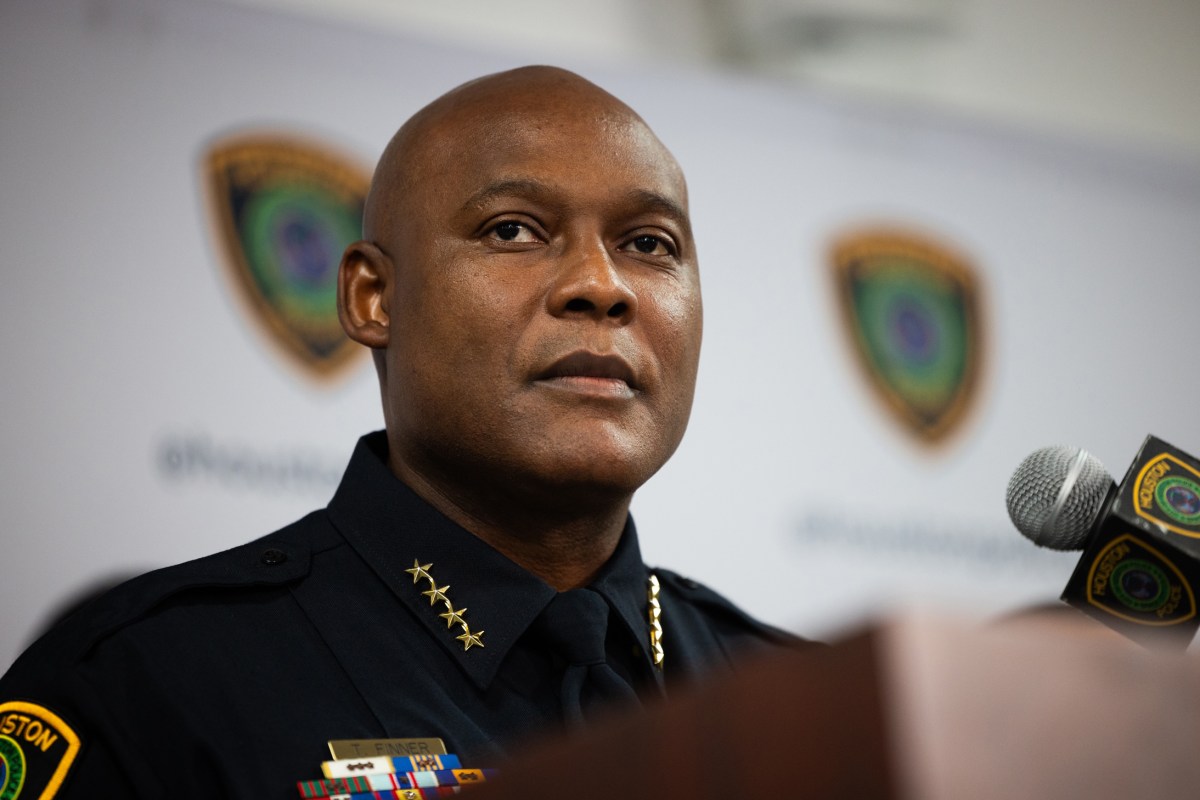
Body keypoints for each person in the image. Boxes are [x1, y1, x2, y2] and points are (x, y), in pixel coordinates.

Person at [0, 66, 807, 799]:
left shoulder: (800, 701)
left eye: (648, 244)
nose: (602, 284)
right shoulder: (144, 683)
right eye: (513, 231)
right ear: (373, 297)